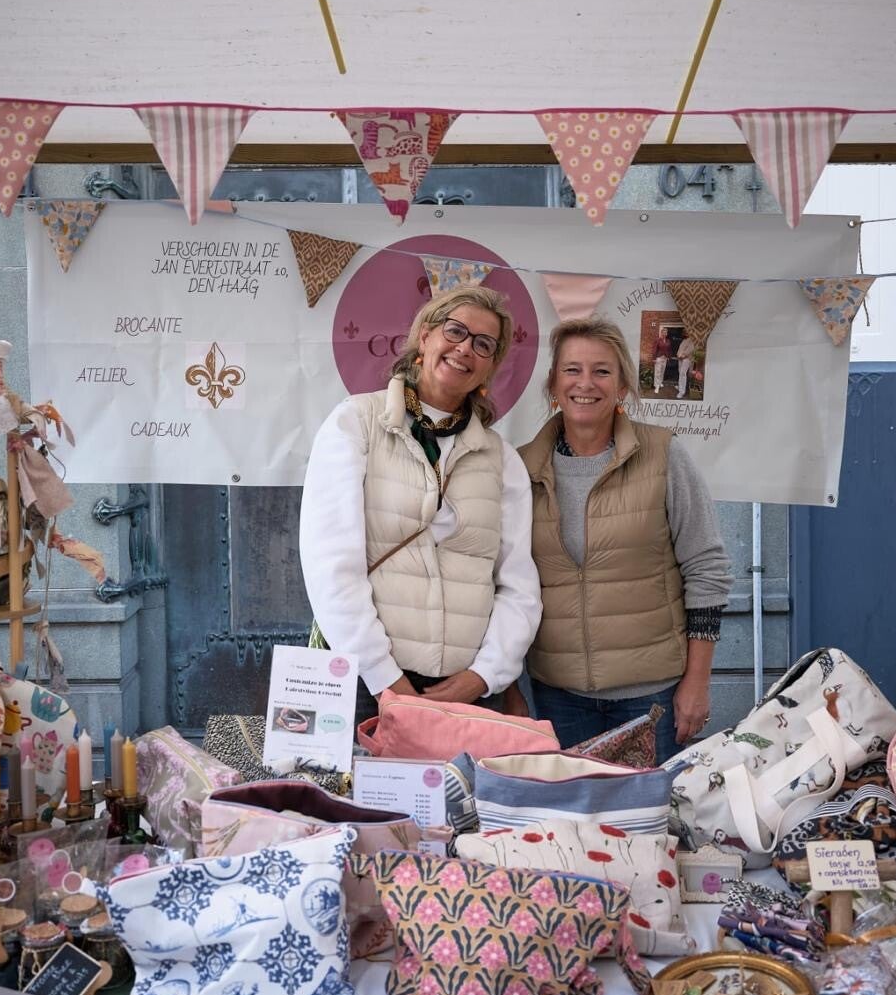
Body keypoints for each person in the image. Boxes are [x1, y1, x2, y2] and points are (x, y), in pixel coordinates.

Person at [299, 285, 542, 723]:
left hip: (466, 695)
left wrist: (485, 675)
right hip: (365, 686)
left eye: (483, 344)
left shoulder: (501, 459)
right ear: (425, 336)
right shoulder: (356, 423)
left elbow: (518, 584)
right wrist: (385, 679)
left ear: (490, 367)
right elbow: (331, 563)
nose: (465, 348)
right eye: (455, 331)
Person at [518, 316, 733, 762]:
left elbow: (706, 569)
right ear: (553, 383)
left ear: (621, 386)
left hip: (651, 698)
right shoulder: (521, 469)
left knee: (652, 806)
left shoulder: (663, 454)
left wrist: (698, 681)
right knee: (575, 808)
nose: (585, 383)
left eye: (602, 371)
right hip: (559, 696)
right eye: (572, 369)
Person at [676, 333, 697, 399]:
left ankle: (682, 392)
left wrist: (683, 356)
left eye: (688, 332)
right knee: (680, 373)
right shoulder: (684, 340)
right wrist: (678, 355)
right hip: (680, 359)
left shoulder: (692, 340)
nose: (686, 333)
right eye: (685, 332)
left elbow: (690, 349)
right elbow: (680, 349)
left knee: (683, 374)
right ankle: (680, 387)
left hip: (686, 359)